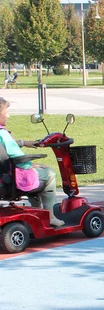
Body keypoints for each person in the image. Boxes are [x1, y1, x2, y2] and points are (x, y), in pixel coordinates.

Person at [0, 97, 63, 226]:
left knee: (34, 174)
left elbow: (7, 146)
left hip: (3, 177)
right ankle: (50, 217)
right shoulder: (3, 134)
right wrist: (31, 164)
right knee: (49, 173)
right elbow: (17, 156)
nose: (8, 115)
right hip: (9, 179)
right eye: (6, 112)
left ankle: (38, 210)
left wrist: (24, 143)